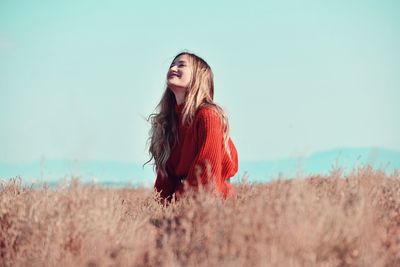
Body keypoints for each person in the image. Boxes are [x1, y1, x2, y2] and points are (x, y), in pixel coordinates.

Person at [147, 51, 238, 202]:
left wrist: (178, 204)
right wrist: (159, 211)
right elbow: (165, 179)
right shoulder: (168, 123)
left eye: (181, 65)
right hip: (184, 206)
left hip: (214, 206)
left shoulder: (208, 116)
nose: (173, 68)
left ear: (198, 77)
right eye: (172, 65)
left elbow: (207, 173)